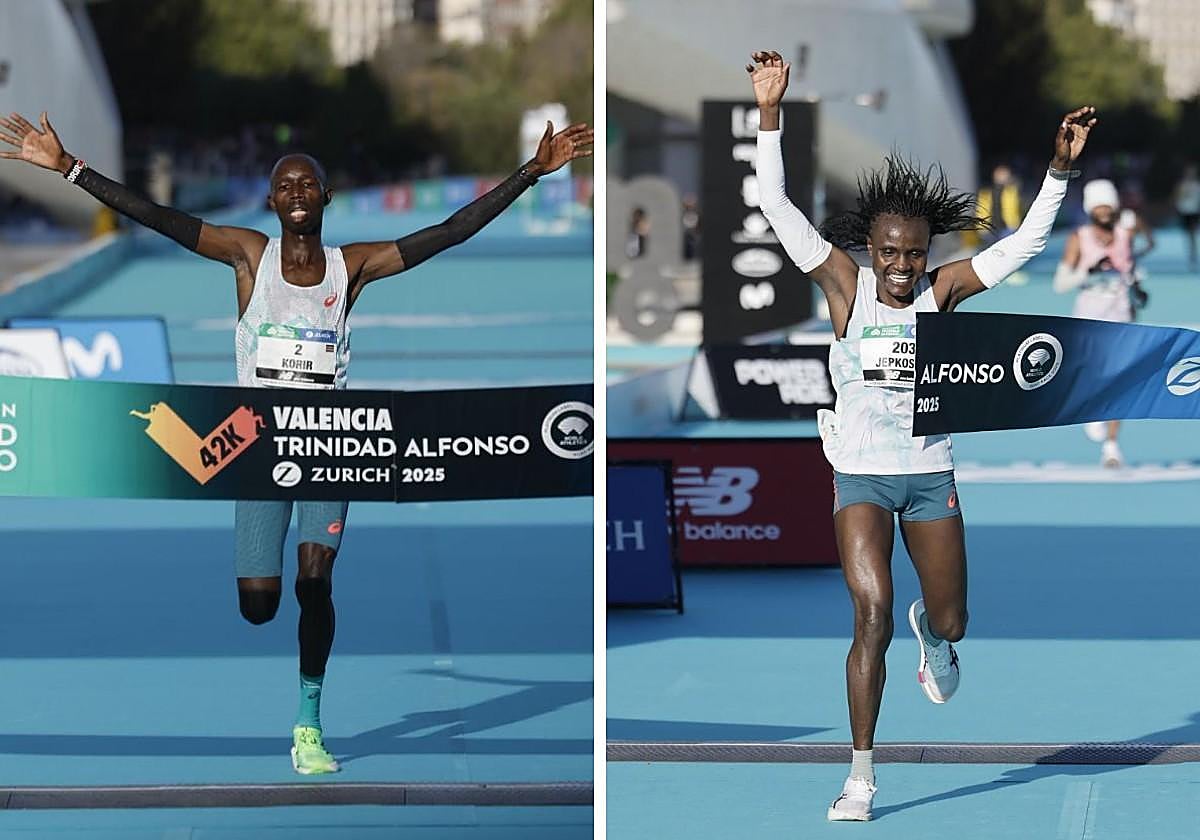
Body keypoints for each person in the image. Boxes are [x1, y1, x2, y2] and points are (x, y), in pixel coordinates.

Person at [0, 110, 592, 774]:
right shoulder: (249, 257)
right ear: (272, 201)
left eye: (308, 183)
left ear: (326, 196)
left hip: (329, 445)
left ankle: (308, 723)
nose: (297, 193)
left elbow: (449, 232)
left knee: (317, 582)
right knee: (259, 606)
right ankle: (276, 623)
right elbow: (159, 219)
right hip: (253, 444)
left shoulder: (352, 268)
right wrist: (71, 167)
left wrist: (532, 172)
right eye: (285, 185)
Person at [746, 50, 1094, 821]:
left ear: (927, 254)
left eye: (913, 254)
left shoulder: (943, 291)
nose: (901, 268)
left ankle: (937, 645)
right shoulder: (843, 284)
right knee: (870, 612)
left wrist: (1059, 171)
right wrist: (769, 113)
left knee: (951, 618)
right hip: (860, 476)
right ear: (869, 249)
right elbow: (773, 204)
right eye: (889, 254)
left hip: (930, 475)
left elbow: (1025, 247)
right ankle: (861, 778)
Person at [1052, 178, 1152, 467]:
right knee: (1091, 377)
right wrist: (1087, 272)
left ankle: (1111, 446)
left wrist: (1137, 289)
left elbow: (1131, 266)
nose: (1105, 210)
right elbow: (1060, 284)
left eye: (1109, 204)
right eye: (1099, 205)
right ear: (1090, 209)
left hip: (1120, 315)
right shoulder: (1079, 238)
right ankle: (1092, 409)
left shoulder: (1125, 234)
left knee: (1120, 380)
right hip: (1088, 318)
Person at [1175, 164, 1200, 271]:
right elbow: (1178, 197)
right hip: (1185, 211)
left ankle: (1193, 255)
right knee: (1189, 235)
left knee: (1192, 234)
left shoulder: (1197, 185)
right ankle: (1192, 255)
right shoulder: (1182, 185)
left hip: (1194, 211)